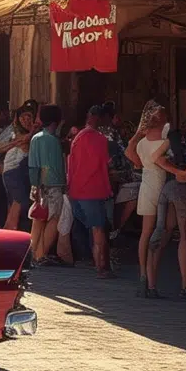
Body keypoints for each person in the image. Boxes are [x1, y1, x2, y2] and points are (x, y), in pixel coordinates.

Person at [149, 119, 186, 300]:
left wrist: (175, 172)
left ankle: (150, 284)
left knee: (163, 232)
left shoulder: (172, 139)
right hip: (183, 190)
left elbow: (156, 158)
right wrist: (183, 174)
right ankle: (185, 287)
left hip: (167, 187)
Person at [127, 101, 170, 296]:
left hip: (146, 185)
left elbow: (131, 154)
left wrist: (137, 135)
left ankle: (144, 274)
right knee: (161, 232)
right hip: (160, 188)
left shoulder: (143, 143)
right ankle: (151, 278)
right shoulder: (165, 142)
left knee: (146, 232)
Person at [69, 105, 115, 278]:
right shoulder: (101, 140)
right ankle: (101, 267)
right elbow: (104, 165)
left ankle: (97, 263)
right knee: (98, 229)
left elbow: (71, 165)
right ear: (99, 118)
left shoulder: (77, 138)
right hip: (94, 189)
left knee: (91, 228)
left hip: (77, 190)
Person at [29, 104, 69, 266]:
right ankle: (41, 254)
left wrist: (34, 185)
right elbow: (59, 167)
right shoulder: (54, 141)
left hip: (39, 184)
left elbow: (33, 165)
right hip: (54, 185)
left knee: (38, 219)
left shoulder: (35, 138)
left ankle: (32, 253)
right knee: (54, 219)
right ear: (56, 121)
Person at [0, 104, 36, 230]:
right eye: (23, 117)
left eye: (29, 117)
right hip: (13, 172)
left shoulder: (32, 133)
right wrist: (18, 141)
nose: (26, 120)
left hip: (22, 173)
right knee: (18, 203)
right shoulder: (13, 131)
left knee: (15, 204)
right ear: (17, 119)